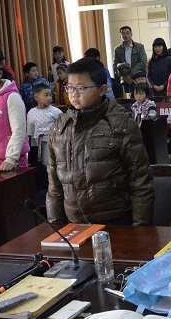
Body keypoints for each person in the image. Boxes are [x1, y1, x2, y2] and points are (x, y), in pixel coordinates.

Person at [46, 57, 155, 226]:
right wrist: (57, 228)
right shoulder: (59, 128)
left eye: (81, 88)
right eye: (70, 87)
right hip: (75, 226)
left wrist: (140, 231)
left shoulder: (121, 125)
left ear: (102, 89)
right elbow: (54, 188)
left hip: (116, 223)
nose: (74, 94)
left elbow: (141, 183)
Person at [26, 83, 63, 167]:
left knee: (50, 163)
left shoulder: (56, 111)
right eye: (46, 95)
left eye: (50, 95)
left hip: (52, 142)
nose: (49, 98)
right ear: (36, 97)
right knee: (39, 163)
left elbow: (62, 128)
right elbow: (30, 131)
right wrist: (32, 147)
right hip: (37, 142)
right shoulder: (31, 112)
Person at [112, 26, 148, 97]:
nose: (126, 35)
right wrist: (125, 76)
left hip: (138, 79)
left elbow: (143, 62)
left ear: (131, 34)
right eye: (123, 34)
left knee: (140, 98)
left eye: (127, 33)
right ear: (120, 36)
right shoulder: (117, 49)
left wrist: (131, 75)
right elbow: (115, 66)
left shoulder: (140, 47)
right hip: (125, 80)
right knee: (127, 100)